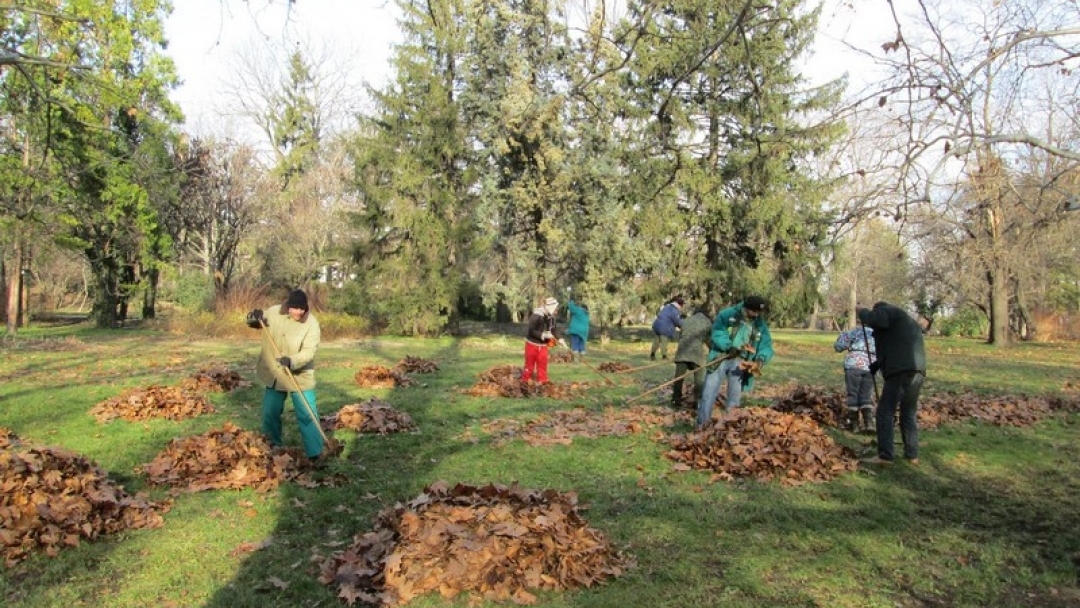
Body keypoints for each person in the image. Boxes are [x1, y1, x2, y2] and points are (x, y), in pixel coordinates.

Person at [245, 289, 324, 459]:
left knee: (307, 413)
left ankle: (315, 452)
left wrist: (292, 361)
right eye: (295, 308)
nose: (299, 312)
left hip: (299, 374)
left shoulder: (311, 324)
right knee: (270, 412)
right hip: (275, 373)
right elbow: (255, 321)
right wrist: (253, 316)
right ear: (288, 306)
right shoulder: (273, 313)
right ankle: (273, 446)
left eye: (302, 309)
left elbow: (310, 351)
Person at [857, 301, 926, 465]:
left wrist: (862, 311)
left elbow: (875, 319)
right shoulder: (904, 323)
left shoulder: (887, 311)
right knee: (908, 412)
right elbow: (894, 347)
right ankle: (912, 455)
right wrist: (876, 365)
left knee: (885, 411)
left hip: (900, 372)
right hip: (917, 370)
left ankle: (885, 455)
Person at [696, 296, 773, 428]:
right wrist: (728, 346)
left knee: (734, 397)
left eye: (758, 312)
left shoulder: (760, 325)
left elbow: (766, 345)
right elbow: (718, 332)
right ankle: (702, 425)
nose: (756, 315)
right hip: (720, 358)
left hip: (740, 362)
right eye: (753, 311)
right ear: (746, 308)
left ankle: (729, 427)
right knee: (708, 393)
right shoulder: (728, 315)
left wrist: (760, 359)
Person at [833, 322, 877, 433]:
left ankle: (855, 425)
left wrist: (841, 339)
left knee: (853, 394)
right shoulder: (876, 334)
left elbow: (838, 346)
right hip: (870, 366)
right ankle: (869, 423)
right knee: (866, 395)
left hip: (853, 365)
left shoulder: (854, 332)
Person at [671, 306, 713, 409]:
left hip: (682, 352)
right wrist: (713, 350)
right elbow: (708, 340)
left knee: (679, 377)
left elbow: (681, 335)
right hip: (697, 354)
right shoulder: (708, 323)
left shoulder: (686, 321)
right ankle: (698, 400)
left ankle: (676, 398)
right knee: (699, 378)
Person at [522, 296, 565, 384]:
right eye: (555, 309)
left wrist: (560, 339)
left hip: (543, 346)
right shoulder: (536, 316)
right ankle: (526, 381)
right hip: (531, 344)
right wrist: (544, 335)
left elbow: (554, 329)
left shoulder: (552, 317)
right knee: (529, 364)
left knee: (542, 363)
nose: (556, 312)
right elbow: (531, 331)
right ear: (550, 308)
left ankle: (542, 381)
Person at [565, 296, 590, 363]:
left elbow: (571, 308)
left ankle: (576, 360)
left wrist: (570, 301)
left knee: (575, 344)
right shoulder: (587, 314)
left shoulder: (579, 310)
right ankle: (583, 360)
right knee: (581, 345)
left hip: (576, 331)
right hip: (584, 332)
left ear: (581, 307)